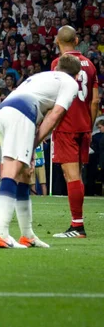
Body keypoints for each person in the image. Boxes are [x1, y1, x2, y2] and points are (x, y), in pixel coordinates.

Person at [0, 54, 81, 248]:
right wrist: (33, 143)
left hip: (2, 111)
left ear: (57, 68)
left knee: (23, 174)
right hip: (21, 114)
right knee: (13, 171)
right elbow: (55, 114)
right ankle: (2, 233)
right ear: (77, 75)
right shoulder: (70, 83)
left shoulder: (42, 77)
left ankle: (28, 235)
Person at [50, 26, 99, 239]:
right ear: (77, 40)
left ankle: (77, 226)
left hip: (66, 126)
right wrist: (89, 123)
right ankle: (77, 223)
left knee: (71, 176)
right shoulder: (91, 65)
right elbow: (95, 99)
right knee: (76, 175)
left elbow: (53, 96)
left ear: (57, 41)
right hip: (84, 126)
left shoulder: (57, 64)